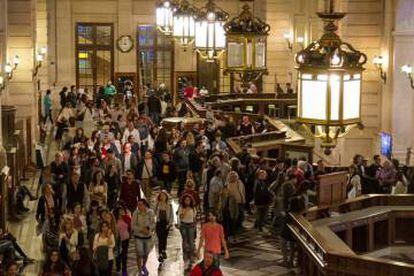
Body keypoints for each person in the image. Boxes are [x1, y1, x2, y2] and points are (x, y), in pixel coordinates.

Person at [132, 199, 155, 275]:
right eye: (138, 205)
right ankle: (139, 271)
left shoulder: (150, 212)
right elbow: (133, 225)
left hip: (148, 237)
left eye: (141, 204)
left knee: (146, 254)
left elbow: (153, 224)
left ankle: (144, 266)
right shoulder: (136, 213)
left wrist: (148, 229)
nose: (139, 206)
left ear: (145, 205)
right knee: (139, 254)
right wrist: (141, 230)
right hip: (138, 237)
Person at [154, 190, 174, 262]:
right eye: (161, 195)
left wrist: (169, 224)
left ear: (166, 196)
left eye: (164, 195)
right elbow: (154, 213)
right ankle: (160, 254)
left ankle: (163, 250)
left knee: (164, 239)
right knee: (160, 239)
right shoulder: (157, 204)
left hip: (166, 224)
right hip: (159, 224)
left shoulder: (170, 205)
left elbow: (172, 216)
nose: (162, 196)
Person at [178, 194, 197, 266]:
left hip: (191, 225)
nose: (187, 201)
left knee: (191, 241)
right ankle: (185, 255)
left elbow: (195, 217)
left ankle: (191, 255)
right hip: (184, 225)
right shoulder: (181, 208)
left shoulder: (193, 208)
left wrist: (194, 225)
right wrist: (184, 211)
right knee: (185, 240)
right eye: (186, 200)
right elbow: (180, 217)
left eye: (188, 200)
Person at [114, 205, 131, 274]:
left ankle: (124, 269)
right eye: (120, 211)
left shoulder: (127, 217)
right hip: (117, 239)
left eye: (123, 210)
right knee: (118, 254)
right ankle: (118, 267)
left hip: (125, 238)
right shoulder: (115, 219)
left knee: (124, 254)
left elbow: (130, 226)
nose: (121, 212)